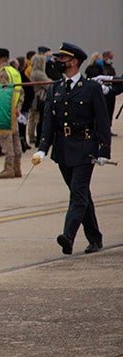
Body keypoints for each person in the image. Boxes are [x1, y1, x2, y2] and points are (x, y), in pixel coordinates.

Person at [33, 42, 112, 255]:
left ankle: (68, 236)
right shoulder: (55, 89)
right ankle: (95, 238)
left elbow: (102, 122)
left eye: (62, 59)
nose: (58, 62)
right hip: (63, 149)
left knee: (78, 194)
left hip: (86, 147)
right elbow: (48, 121)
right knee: (81, 194)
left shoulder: (91, 88)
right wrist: (42, 148)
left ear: (74, 62)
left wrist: (104, 150)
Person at [0, 48, 23, 179]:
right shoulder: (14, 71)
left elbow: (3, 93)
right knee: (16, 139)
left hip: (5, 110)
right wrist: (18, 107)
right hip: (14, 110)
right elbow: (20, 92)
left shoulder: (2, 73)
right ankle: (17, 168)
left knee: (6, 140)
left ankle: (8, 168)